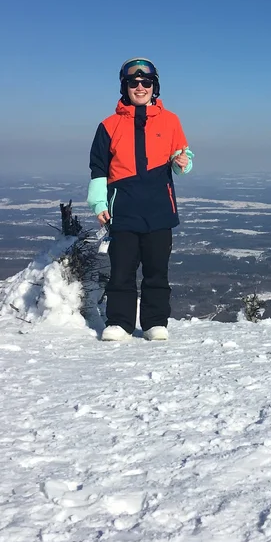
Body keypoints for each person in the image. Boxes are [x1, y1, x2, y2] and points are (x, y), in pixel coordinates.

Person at [87, 57, 193, 341]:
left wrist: (182, 162)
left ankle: (155, 323)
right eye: (133, 83)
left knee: (157, 269)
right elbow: (98, 168)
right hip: (124, 208)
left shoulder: (171, 121)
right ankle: (119, 323)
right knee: (122, 269)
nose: (140, 87)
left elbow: (182, 155)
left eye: (146, 82)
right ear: (125, 88)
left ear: (154, 86)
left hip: (159, 207)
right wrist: (99, 204)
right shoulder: (108, 125)